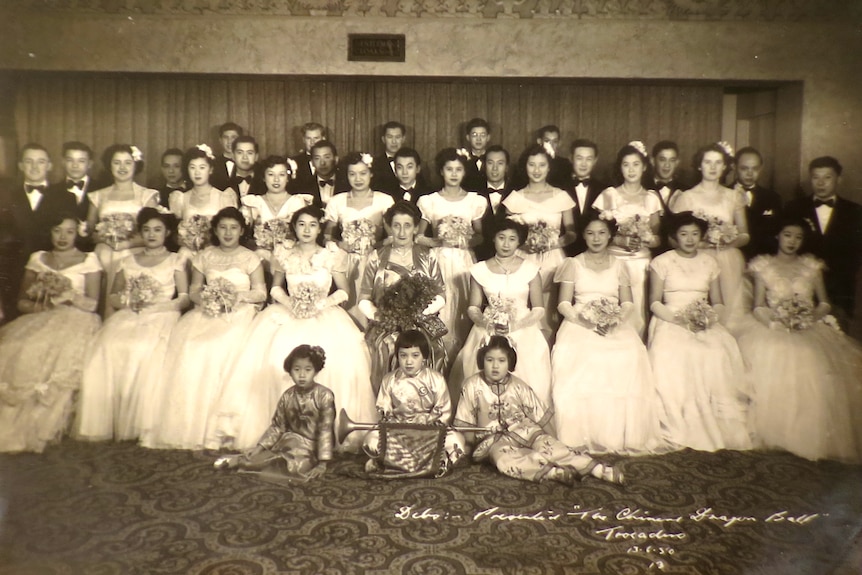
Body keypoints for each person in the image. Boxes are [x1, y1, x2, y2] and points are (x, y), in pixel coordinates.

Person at [209, 205, 375, 452]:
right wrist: (291, 303)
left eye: (312, 225)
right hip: (288, 313)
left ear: (320, 228)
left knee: (336, 364)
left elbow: (343, 291)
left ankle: (325, 436)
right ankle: (284, 431)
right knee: (274, 361)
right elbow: (275, 288)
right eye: (301, 224)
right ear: (294, 227)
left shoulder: (331, 254)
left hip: (324, 314)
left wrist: (321, 303)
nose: (306, 230)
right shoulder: (283, 253)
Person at [737, 218, 862, 463]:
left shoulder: (811, 267)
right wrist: (776, 322)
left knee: (812, 359)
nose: (792, 241)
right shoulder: (763, 266)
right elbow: (758, 306)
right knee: (776, 354)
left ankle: (805, 434)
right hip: (773, 325)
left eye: (798, 237)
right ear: (778, 236)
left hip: (808, 326)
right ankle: (778, 431)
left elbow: (824, 303)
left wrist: (808, 319)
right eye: (787, 235)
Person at [144, 207, 265, 450]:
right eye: (222, 227)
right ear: (215, 230)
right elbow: (195, 292)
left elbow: (260, 292)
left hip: (239, 312)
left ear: (242, 230)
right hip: (208, 311)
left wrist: (234, 297)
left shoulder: (251, 258)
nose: (228, 232)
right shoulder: (205, 257)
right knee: (192, 346)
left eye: (233, 228)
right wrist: (211, 300)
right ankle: (192, 423)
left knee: (224, 344)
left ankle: (224, 425)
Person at [552, 213, 661, 454]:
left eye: (601, 233)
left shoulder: (620, 265)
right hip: (580, 322)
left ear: (611, 235)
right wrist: (586, 322)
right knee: (585, 355)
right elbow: (563, 304)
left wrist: (615, 321)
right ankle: (581, 432)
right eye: (590, 233)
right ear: (583, 236)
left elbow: (628, 303)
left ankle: (619, 433)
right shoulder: (573, 263)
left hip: (614, 322)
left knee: (630, 353)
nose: (596, 238)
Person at [77, 208, 189, 442]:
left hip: (162, 314)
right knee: (108, 345)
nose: (151, 234)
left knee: (144, 347)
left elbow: (184, 298)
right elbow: (114, 296)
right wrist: (131, 301)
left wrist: (155, 306)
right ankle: (110, 419)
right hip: (131, 313)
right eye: (146, 230)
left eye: (157, 230)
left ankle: (141, 421)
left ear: (167, 232)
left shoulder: (176, 260)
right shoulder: (127, 261)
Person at [455, 336, 624, 485]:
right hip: (493, 440)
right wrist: (470, 447)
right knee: (503, 459)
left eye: (501, 361)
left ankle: (598, 470)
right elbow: (465, 422)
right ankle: (552, 472)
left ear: (510, 362)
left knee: (550, 447)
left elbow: (541, 417)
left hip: (526, 431)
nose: (495, 366)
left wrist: (552, 439)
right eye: (489, 360)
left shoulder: (518, 386)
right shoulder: (472, 386)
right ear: (481, 360)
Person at [648, 211, 752, 452]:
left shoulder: (710, 262)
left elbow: (717, 301)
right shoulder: (661, 262)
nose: (690, 239)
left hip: (704, 320)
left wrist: (707, 319)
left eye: (695, 234)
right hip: (670, 319)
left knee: (717, 351)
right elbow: (654, 302)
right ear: (674, 237)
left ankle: (717, 423)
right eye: (684, 234)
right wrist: (679, 320)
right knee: (672, 352)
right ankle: (679, 422)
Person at [0, 213, 102, 452]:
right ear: (50, 232)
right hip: (41, 316)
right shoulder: (38, 259)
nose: (63, 237)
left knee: (53, 354)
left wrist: (69, 296)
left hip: (78, 319)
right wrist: (45, 305)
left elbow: (93, 304)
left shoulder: (89, 259)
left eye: (69, 231)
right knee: (16, 348)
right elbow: (22, 303)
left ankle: (39, 425)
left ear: (77, 233)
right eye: (57, 230)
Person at [450, 217, 550, 405]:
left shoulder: (531, 269)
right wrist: (486, 323)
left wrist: (516, 325)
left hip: (523, 328)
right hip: (489, 327)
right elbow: (473, 307)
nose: (506, 244)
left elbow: (538, 309)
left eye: (512, 239)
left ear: (519, 241)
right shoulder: (479, 270)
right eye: (501, 238)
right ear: (493, 239)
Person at [357, 201, 447, 392]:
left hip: (420, 321)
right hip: (386, 324)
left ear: (415, 228)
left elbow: (441, 294)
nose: (402, 232)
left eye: (407, 226)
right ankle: (387, 406)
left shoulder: (427, 256)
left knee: (430, 346)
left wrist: (419, 314)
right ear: (389, 227)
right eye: (396, 226)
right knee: (388, 346)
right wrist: (384, 318)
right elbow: (364, 297)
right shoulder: (376, 256)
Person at [213, 345, 336, 481]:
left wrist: (323, 463)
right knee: (268, 458)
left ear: (316, 371)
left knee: (295, 467)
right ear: (290, 371)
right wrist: (259, 448)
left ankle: (249, 463)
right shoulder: (287, 396)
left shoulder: (324, 396)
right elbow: (278, 426)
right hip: (288, 443)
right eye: (296, 369)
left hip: (311, 448)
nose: (302, 375)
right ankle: (246, 460)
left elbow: (326, 429)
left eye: (308, 370)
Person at [362, 330, 467, 477]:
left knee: (457, 440)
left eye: (415, 355)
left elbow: (443, 411)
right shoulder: (389, 379)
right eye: (403, 356)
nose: (409, 361)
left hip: (428, 430)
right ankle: (393, 460)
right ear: (397, 356)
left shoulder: (436, 379)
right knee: (371, 439)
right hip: (398, 430)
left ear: (424, 357)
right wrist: (393, 420)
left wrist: (425, 421)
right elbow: (384, 407)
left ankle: (430, 462)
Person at [670, 142, 751, 334]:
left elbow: (745, 234)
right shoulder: (687, 197)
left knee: (729, 315)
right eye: (708, 162)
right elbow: (673, 238)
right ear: (700, 166)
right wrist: (702, 242)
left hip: (728, 261)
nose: (713, 167)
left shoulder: (733, 196)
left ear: (724, 167)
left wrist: (728, 239)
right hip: (697, 260)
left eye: (718, 163)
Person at [416, 148, 487, 359]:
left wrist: (463, 239)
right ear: (441, 171)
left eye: (458, 169)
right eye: (449, 169)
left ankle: (461, 360)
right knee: (441, 304)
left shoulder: (475, 200)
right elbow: (419, 237)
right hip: (439, 259)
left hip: (464, 259)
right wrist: (439, 240)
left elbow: (481, 237)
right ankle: (440, 356)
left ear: (464, 172)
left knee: (463, 306)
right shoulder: (429, 201)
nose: (454, 174)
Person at [502, 143, 576, 339]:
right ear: (525, 167)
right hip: (523, 257)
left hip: (553, 259)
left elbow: (571, 233)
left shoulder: (561, 196)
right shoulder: (515, 198)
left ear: (549, 167)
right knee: (524, 306)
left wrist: (551, 244)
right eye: (532, 165)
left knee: (552, 312)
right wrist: (527, 244)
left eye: (541, 165)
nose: (536, 170)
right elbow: (508, 233)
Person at [591, 141, 662, 338]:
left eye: (636, 164)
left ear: (645, 167)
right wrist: (621, 241)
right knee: (611, 308)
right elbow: (598, 233)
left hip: (641, 264)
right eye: (626, 164)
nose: (631, 170)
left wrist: (644, 239)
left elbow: (657, 239)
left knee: (638, 311)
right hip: (614, 261)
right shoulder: (609, 195)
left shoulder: (651, 198)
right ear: (620, 167)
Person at [785, 156, 862, 333]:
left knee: (838, 343)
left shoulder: (855, 211)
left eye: (827, 177)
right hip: (802, 291)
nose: (821, 183)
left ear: (839, 179)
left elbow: (856, 255)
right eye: (815, 177)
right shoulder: (794, 208)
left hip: (839, 292)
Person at [86, 144, 159, 318]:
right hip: (104, 253)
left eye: (127, 162)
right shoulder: (98, 196)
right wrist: (105, 237)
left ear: (136, 166)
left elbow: (155, 233)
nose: (122, 167)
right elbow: (89, 231)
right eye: (117, 163)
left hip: (135, 251)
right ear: (109, 166)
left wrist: (127, 243)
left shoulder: (146, 195)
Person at [324, 152, 394, 314]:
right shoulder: (337, 201)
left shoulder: (384, 200)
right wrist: (341, 244)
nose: (358, 179)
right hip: (346, 260)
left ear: (371, 174)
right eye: (352, 174)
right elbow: (327, 235)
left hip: (375, 258)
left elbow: (391, 237)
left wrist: (374, 246)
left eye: (363, 173)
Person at [0, 144, 54, 321]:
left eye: (40, 162)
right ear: (20, 165)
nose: (35, 167)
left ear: (49, 166)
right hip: (14, 268)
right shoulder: (6, 195)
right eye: (29, 161)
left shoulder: (63, 195)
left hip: (51, 268)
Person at [242, 155, 314, 267]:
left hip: (292, 257)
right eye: (271, 174)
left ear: (288, 177)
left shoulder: (297, 202)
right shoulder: (254, 202)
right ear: (263, 177)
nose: (276, 180)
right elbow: (243, 235)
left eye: (281, 175)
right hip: (261, 257)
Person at [169, 145, 238, 262]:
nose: (197, 173)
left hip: (217, 250)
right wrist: (185, 238)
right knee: (182, 254)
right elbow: (175, 234)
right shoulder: (180, 198)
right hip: (189, 253)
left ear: (210, 169)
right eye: (192, 168)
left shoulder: (224, 197)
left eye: (202, 167)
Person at [732, 147, 783, 261]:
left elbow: (776, 234)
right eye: (744, 168)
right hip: (733, 259)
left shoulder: (773, 197)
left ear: (761, 169)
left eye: (755, 169)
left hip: (764, 261)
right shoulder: (725, 194)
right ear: (734, 167)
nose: (750, 173)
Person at [43, 141, 96, 225]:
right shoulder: (51, 191)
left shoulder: (102, 188)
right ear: (63, 162)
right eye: (70, 160)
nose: (75, 165)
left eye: (81, 161)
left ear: (90, 164)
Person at [567, 139, 605, 256]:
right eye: (579, 158)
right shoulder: (559, 187)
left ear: (595, 161)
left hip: (595, 252)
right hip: (565, 252)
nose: (584, 164)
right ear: (571, 158)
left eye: (589, 159)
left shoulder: (604, 189)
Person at [476, 145, 513, 261]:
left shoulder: (516, 192)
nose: (495, 168)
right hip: (479, 256)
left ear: (507, 167)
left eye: (500, 163)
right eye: (490, 163)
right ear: (484, 166)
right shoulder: (473, 193)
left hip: (511, 258)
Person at [649, 140, 686, 257]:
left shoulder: (686, 190)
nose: (667, 165)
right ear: (652, 161)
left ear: (677, 162)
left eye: (672, 160)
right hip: (649, 253)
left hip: (678, 254)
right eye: (662, 159)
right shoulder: (642, 189)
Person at [291, 139, 346, 206]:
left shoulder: (347, 185)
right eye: (317, 158)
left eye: (327, 157)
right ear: (312, 162)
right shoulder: (302, 187)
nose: (322, 163)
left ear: (336, 159)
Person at [288, 122, 326, 192]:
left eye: (316, 138)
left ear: (323, 138)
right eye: (308, 138)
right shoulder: (293, 162)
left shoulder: (332, 161)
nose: (312, 142)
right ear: (303, 140)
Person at [371, 121, 407, 195]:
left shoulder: (414, 162)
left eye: (397, 137)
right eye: (390, 137)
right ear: (383, 139)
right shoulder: (374, 164)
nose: (394, 141)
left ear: (403, 139)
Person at [226, 135, 265, 200]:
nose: (245, 157)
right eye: (240, 153)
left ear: (256, 157)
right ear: (233, 156)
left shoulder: (265, 183)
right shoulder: (223, 182)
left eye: (249, 153)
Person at [210, 122, 243, 191]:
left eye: (233, 137)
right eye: (226, 137)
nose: (229, 141)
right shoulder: (212, 163)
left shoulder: (247, 163)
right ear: (220, 140)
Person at [461, 118, 491, 192]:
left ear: (488, 137)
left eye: (482, 135)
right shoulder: (462, 160)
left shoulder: (493, 159)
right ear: (468, 137)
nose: (478, 139)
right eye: (474, 135)